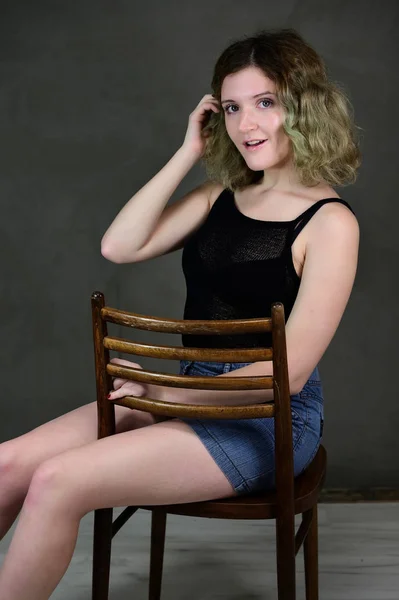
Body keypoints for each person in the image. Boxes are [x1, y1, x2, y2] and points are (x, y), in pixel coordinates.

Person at [0, 28, 360, 598]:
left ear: (304, 106)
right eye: (234, 107)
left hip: (267, 419)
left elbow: (287, 374)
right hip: (182, 384)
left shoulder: (331, 224)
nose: (247, 126)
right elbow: (120, 246)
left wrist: (170, 397)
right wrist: (189, 152)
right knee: (7, 466)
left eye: (266, 104)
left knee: (56, 481)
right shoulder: (220, 196)